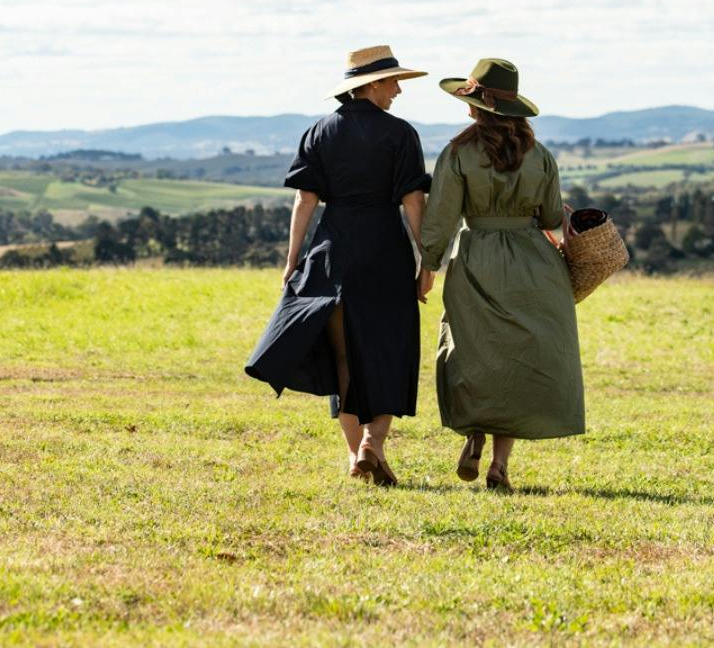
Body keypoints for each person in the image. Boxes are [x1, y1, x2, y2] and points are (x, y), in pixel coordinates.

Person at [244, 45, 432, 486]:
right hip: (384, 250)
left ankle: (355, 456)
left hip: (332, 250)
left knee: (344, 356)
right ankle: (372, 444)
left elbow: (304, 199)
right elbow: (413, 202)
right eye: (393, 81)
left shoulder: (318, 132)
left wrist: (292, 259)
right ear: (369, 84)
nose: (399, 90)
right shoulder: (401, 134)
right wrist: (426, 257)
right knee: (390, 349)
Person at [418, 58, 583, 492]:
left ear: (475, 106)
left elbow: (441, 218)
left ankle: (474, 435)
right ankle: (500, 465)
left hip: (477, 256)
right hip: (533, 262)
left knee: (472, 350)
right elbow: (551, 216)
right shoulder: (540, 154)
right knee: (518, 357)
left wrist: (428, 266)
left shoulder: (457, 153)